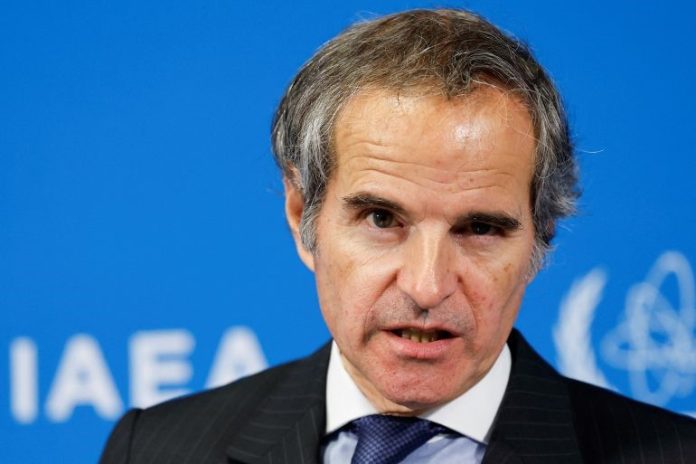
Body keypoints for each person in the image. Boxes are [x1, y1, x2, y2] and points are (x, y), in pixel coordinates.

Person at [100, 8, 696, 464]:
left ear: (540, 238)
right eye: (383, 220)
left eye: (480, 228)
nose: (427, 286)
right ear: (303, 216)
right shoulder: (155, 448)